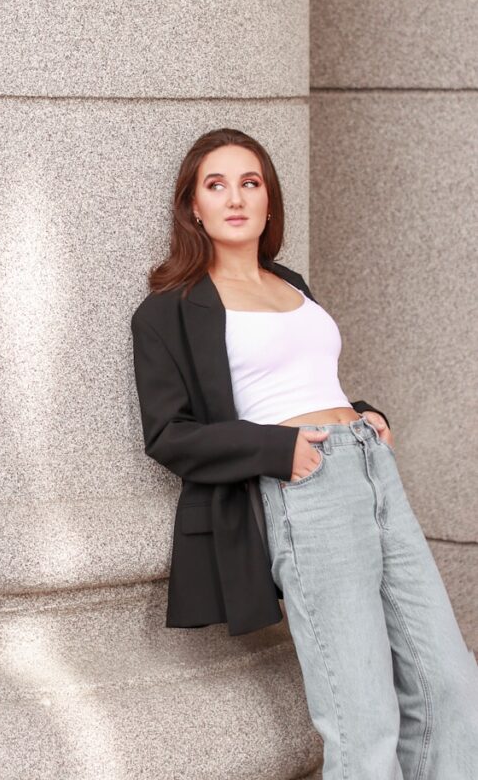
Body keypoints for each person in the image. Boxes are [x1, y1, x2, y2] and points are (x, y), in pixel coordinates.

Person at [130, 127, 478, 779]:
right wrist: (276, 449)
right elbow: (168, 435)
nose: (235, 198)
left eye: (250, 182)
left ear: (268, 201)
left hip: (371, 471)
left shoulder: (290, 281)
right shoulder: (168, 311)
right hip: (304, 490)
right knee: (362, 717)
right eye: (216, 185)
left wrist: (365, 413)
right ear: (193, 207)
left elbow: (311, 381)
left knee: (452, 688)